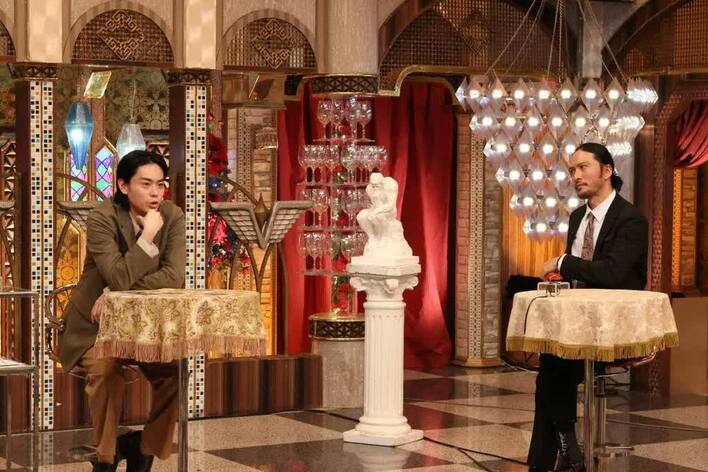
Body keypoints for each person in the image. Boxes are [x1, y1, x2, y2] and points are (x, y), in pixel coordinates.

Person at [58, 150, 186, 472]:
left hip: (144, 327)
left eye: (160, 184)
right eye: (146, 184)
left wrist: (115, 292)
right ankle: (105, 457)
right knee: (105, 371)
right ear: (124, 186)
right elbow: (116, 274)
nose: (156, 193)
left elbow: (174, 276)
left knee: (174, 373)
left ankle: (144, 448)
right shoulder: (102, 217)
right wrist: (148, 236)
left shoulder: (172, 216)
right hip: (95, 327)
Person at [528, 142, 648, 472]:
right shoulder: (578, 217)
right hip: (576, 325)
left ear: (607, 171)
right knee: (551, 363)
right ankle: (565, 452)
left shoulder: (631, 220)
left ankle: (559, 454)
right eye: (572, 170)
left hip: (613, 328)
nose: (576, 176)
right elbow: (577, 276)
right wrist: (559, 276)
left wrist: (564, 262)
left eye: (583, 167)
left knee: (553, 368)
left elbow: (612, 273)